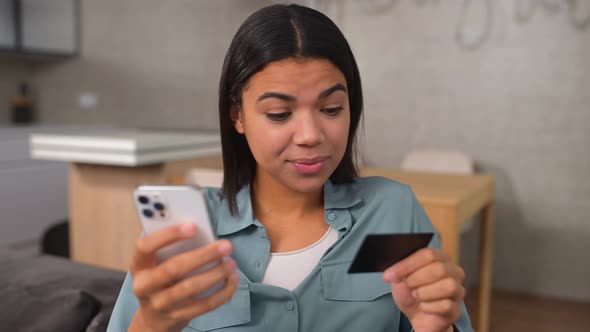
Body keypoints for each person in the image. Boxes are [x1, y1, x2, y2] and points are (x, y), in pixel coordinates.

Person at [108, 4, 473, 332]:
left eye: (331, 109)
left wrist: (434, 328)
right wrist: (150, 326)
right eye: (279, 114)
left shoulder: (392, 210)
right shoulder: (187, 233)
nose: (311, 135)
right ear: (237, 115)